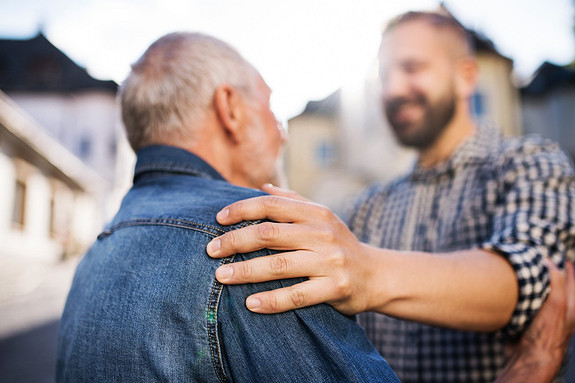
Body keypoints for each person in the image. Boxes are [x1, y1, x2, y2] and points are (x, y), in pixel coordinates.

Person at [205, 11, 575, 383]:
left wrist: (367, 270)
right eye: (385, 77)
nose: (394, 90)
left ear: (465, 77)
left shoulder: (528, 162)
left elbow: (539, 283)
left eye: (412, 68)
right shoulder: (369, 206)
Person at [55, 32, 401, 382]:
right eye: (270, 107)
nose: (283, 133)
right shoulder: (255, 239)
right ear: (230, 108)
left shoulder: (94, 255)